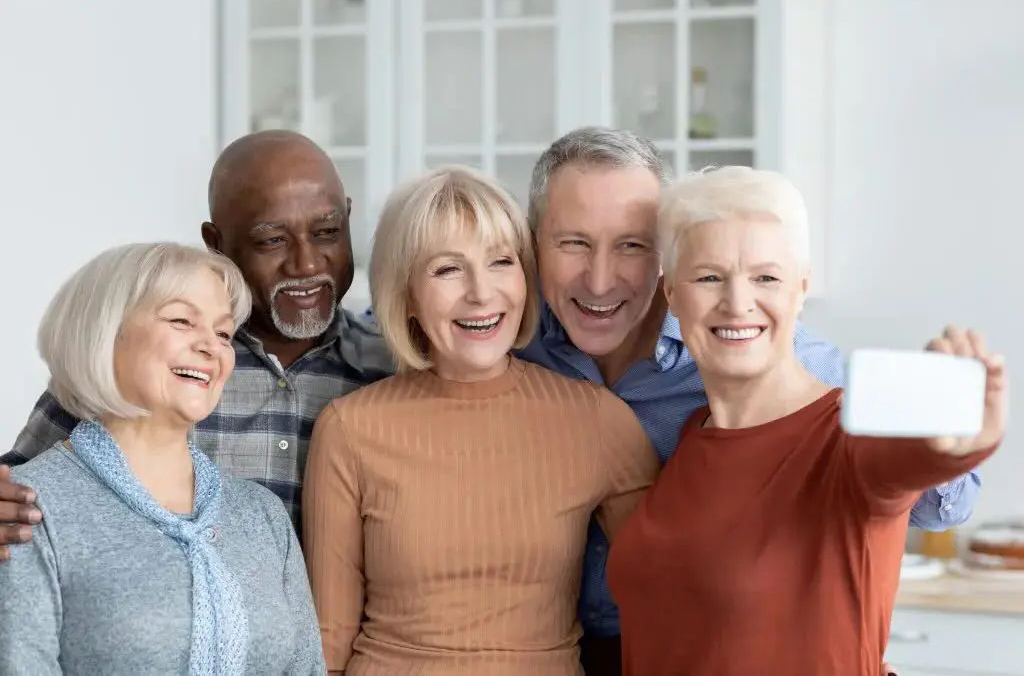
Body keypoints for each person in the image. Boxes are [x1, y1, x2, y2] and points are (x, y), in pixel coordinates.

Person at [515, 126, 982, 675]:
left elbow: (912, 480)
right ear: (532, 245)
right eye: (573, 243)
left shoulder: (766, 351)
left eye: (632, 245)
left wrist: (939, 428)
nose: (598, 280)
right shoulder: (514, 341)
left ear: (662, 263)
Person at [302, 164, 660, 675]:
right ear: (405, 296)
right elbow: (329, 642)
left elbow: (671, 600)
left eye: (500, 262)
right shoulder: (349, 429)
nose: (481, 292)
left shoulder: (597, 420)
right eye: (448, 269)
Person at [0, 130, 392, 556]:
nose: (307, 262)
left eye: (326, 231)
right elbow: (24, 489)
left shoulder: (390, 366)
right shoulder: (156, 367)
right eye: (272, 240)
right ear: (216, 243)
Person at [0, 242, 325, 674]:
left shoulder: (263, 516)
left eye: (224, 333)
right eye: (181, 321)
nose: (212, 347)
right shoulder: (27, 513)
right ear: (104, 332)